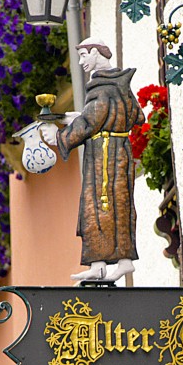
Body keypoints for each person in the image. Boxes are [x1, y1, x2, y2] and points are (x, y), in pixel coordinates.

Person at [44, 39, 144, 283]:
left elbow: (91, 122)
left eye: (84, 56)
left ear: (98, 53)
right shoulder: (119, 83)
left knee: (97, 208)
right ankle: (112, 263)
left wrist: (59, 138)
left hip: (104, 156)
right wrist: (81, 117)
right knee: (118, 207)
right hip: (117, 150)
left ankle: (103, 264)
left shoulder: (102, 86)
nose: (81, 62)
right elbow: (133, 115)